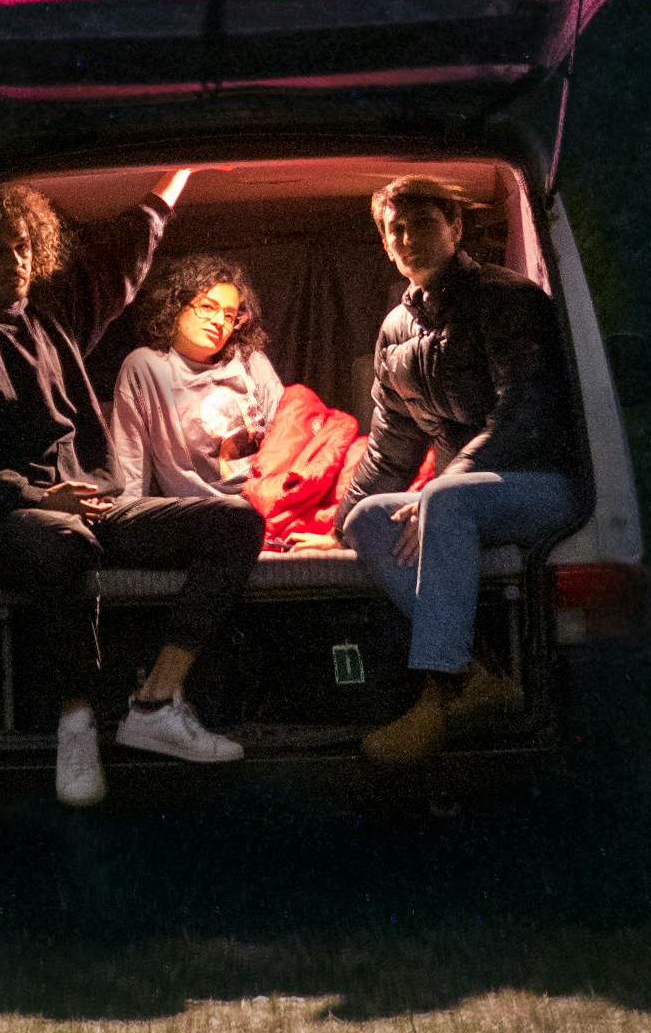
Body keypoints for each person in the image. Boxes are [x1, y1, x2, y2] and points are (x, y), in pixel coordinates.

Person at [0, 171, 262, 805]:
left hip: (89, 503)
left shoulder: (51, 318)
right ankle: (76, 717)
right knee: (62, 540)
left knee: (234, 522)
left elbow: (118, 266)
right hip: (10, 518)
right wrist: (36, 497)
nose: (15, 261)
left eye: (22, 246)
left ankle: (155, 702)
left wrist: (169, 185)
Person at [341, 171, 586, 774]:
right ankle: (480, 677)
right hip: (462, 497)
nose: (406, 237)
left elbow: (526, 410)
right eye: (394, 228)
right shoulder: (396, 332)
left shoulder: (508, 298)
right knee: (365, 518)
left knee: (444, 501)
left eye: (422, 223)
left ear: (455, 227)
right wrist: (337, 513)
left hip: (544, 485)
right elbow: (390, 443)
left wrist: (444, 488)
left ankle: (435, 696)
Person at [105, 247, 288, 497]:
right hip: (197, 514)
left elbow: (286, 440)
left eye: (229, 315)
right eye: (208, 307)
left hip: (264, 501)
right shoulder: (146, 367)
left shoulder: (250, 361)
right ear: (178, 306)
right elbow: (131, 468)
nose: (218, 321)